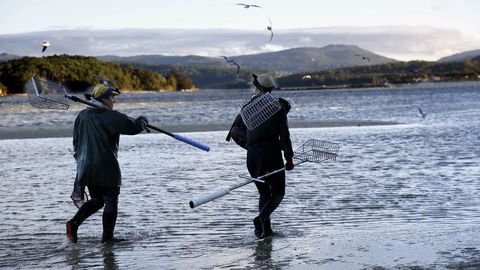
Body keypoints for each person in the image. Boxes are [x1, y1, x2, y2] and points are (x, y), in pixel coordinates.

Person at [66, 84, 149, 244]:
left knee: (97, 200)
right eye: (112, 98)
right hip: (106, 166)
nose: (114, 102)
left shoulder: (82, 116)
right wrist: (142, 120)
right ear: (104, 99)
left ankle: (73, 223)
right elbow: (132, 127)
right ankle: (108, 238)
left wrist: (81, 160)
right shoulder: (112, 117)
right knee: (111, 199)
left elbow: (75, 142)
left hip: (86, 167)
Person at [227, 74, 294, 238]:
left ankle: (264, 231)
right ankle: (261, 218)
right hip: (271, 153)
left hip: (252, 156)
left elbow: (233, 132)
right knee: (278, 193)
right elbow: (284, 136)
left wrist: (250, 147)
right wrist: (289, 158)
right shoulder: (277, 107)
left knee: (264, 193)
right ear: (271, 88)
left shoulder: (247, 108)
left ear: (257, 88)